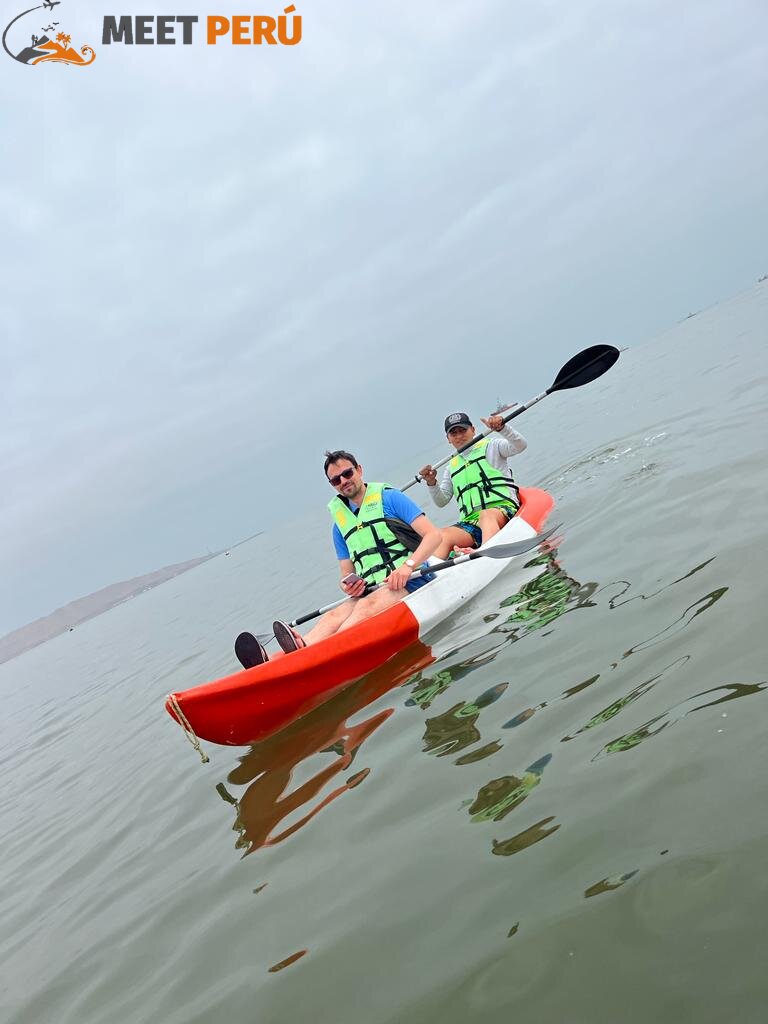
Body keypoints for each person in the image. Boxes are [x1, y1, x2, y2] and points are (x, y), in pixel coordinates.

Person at [237, 450, 442, 666]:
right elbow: (346, 572)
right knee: (333, 616)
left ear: (359, 470)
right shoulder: (339, 526)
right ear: (332, 484)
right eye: (336, 480)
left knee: (365, 607)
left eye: (347, 473)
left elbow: (433, 535)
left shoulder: (390, 498)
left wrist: (407, 567)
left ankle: (321, 657)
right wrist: (348, 585)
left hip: (412, 580)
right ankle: (292, 653)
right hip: (371, 589)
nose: (343, 481)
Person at [418, 411, 526, 558]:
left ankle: (484, 555)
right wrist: (431, 483)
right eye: (453, 433)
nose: (459, 436)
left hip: (502, 510)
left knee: (486, 514)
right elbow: (441, 501)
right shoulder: (451, 467)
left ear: (473, 430)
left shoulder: (492, 446)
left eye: (463, 430)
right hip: (471, 522)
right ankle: (433, 575)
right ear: (448, 438)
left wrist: (503, 429)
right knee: (442, 535)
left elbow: (520, 446)